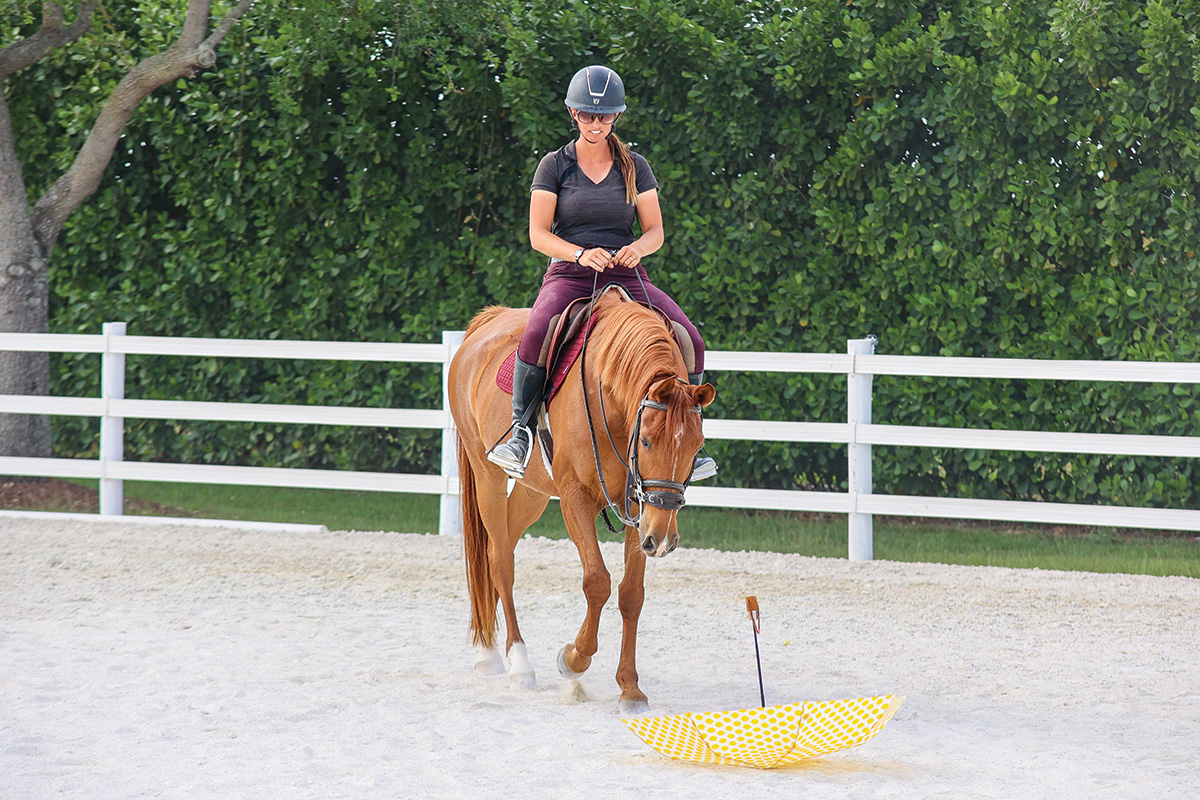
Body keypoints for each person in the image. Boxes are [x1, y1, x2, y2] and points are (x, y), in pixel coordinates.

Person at [488, 64, 717, 482]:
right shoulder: (554, 166)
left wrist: (635, 249)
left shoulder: (635, 166)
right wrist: (578, 254)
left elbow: (655, 232)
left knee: (690, 339)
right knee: (538, 329)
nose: (597, 124)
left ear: (616, 117)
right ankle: (520, 431)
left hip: (626, 273)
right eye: (588, 115)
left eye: (605, 116)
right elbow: (539, 235)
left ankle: (690, 438)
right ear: (573, 114)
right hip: (571, 273)